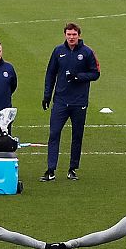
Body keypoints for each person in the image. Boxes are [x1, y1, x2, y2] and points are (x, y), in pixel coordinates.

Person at [40, 22, 100, 181]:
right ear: (65, 35)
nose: (71, 37)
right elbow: (50, 74)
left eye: (74, 34)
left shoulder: (87, 52)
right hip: (60, 100)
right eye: (69, 34)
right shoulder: (58, 51)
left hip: (79, 102)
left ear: (78, 35)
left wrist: (78, 77)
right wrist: (47, 95)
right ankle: (51, 169)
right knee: (54, 134)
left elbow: (95, 73)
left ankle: (72, 169)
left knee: (77, 136)